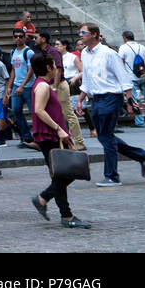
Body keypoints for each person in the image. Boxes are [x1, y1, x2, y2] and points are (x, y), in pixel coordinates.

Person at [75, 22, 145, 186]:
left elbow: (124, 78)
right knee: (104, 136)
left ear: (94, 34)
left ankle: (112, 176)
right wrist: (80, 100)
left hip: (111, 97)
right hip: (96, 99)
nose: (80, 35)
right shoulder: (85, 54)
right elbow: (86, 80)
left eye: (83, 32)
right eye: (80, 32)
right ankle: (141, 155)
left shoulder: (109, 53)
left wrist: (130, 101)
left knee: (106, 137)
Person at [28, 52, 90, 229]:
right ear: (48, 67)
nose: (56, 68)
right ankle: (52, 205)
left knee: (63, 174)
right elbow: (39, 110)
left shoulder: (43, 85)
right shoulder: (42, 86)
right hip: (49, 135)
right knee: (66, 173)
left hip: (52, 134)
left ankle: (59, 209)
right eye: (54, 65)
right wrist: (59, 129)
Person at [8, 29, 37, 148]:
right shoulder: (13, 51)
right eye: (16, 36)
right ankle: (26, 136)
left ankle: (38, 137)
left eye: (20, 36)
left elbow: (31, 70)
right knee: (16, 111)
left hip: (28, 86)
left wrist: (22, 85)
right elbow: (14, 70)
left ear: (25, 37)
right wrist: (9, 86)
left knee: (34, 112)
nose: (18, 38)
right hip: (16, 85)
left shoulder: (28, 52)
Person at [119, 31, 145, 127]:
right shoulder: (141, 46)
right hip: (142, 75)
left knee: (135, 99)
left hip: (131, 76)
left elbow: (120, 61)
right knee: (143, 98)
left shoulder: (123, 47)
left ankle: (140, 122)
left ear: (125, 38)